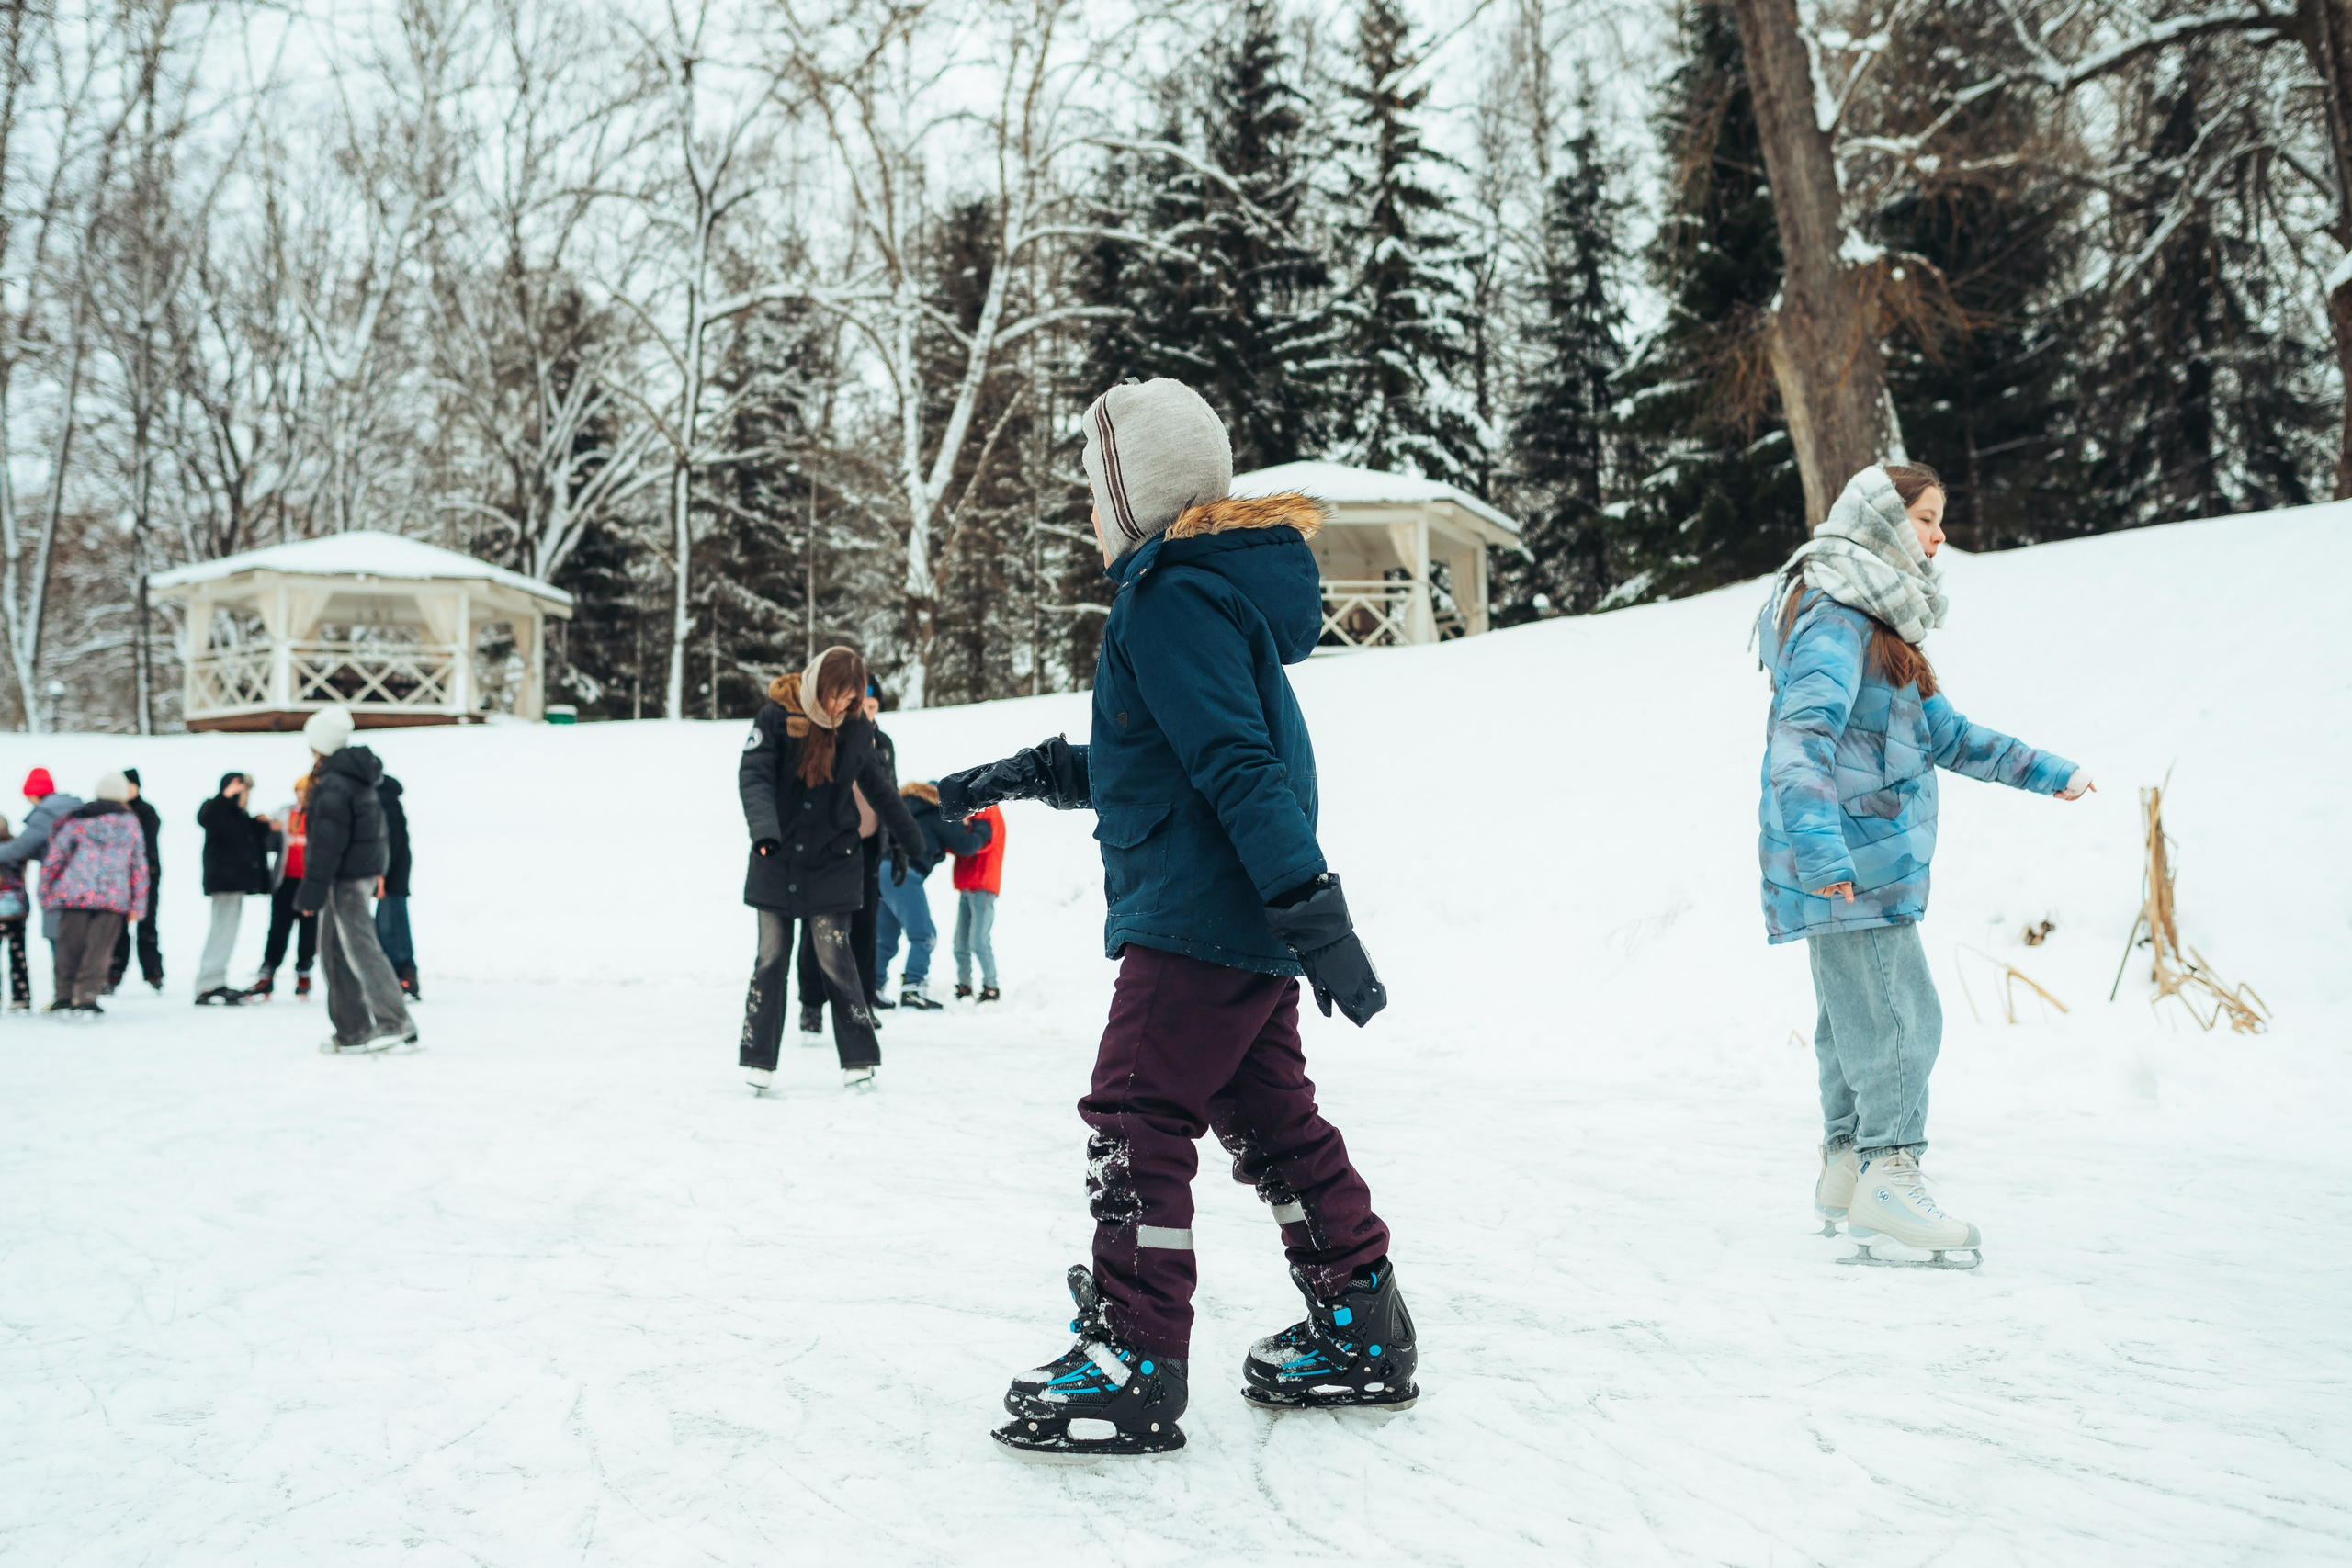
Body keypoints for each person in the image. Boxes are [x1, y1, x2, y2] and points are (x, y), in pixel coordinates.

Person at [940, 378, 1405, 1461]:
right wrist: (1022, 774)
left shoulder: (1167, 596)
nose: (1087, 512)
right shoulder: (1208, 594)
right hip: (1235, 916)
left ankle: (1135, 1354)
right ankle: (1361, 1325)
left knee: (1135, 1113)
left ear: (1131, 494)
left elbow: (1237, 766)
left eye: (1093, 489)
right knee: (1271, 1120)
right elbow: (1163, 758)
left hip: (1199, 915)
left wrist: (1313, 907)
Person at [1759, 462, 2092, 1269]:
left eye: (1941, 519)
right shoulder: (1838, 620)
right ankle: (1891, 1170)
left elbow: (1949, 736)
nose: (1940, 537)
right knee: (1906, 1017)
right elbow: (1799, 743)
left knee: (1853, 1022)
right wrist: (1824, 853)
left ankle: (1849, 1163)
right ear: (1881, 521)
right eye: (1926, 518)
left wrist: (2049, 772)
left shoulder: (1876, 621)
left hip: (1853, 860)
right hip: (1851, 863)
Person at [739, 647, 924, 1093]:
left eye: (851, 698)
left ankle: (859, 1059)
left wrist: (910, 839)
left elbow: (879, 787)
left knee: (836, 956)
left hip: (833, 860)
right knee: (771, 958)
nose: (842, 705)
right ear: (818, 685)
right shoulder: (776, 717)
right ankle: (758, 1058)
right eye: (837, 695)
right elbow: (754, 776)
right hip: (776, 856)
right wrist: (765, 831)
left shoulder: (856, 729)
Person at [295, 705, 416, 1054]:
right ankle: (352, 1030)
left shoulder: (335, 783)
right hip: (354, 875)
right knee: (334, 952)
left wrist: (312, 891)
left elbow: (327, 844)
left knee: (361, 949)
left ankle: (395, 1022)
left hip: (345, 879)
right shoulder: (353, 776)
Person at [798, 678, 891, 1031]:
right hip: (829, 847)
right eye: (860, 707)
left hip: (868, 847)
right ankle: (812, 1004)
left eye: (872, 708)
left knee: (866, 927)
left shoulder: (883, 744)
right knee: (818, 925)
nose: (866, 714)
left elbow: (890, 792)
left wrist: (895, 844)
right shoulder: (827, 738)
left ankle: (864, 1002)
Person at [39, 773, 151, 1018]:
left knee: (69, 947)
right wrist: (138, 904)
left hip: (75, 893)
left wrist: (46, 890)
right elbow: (138, 865)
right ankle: (87, 996)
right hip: (114, 896)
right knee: (100, 949)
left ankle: (64, 995)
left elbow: (56, 857)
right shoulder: (130, 823)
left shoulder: (78, 819)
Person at [876, 781, 993, 1010]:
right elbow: (966, 845)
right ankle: (913, 988)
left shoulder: (904, 807)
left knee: (885, 938)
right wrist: (982, 828)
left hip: (880, 872)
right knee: (924, 935)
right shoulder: (939, 812)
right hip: (904, 873)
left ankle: (873, 987)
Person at [0, 769, 86, 996]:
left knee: (58, 938)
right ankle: (78, 993)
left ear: (33, 793)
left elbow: (20, 848)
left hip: (58, 884)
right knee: (75, 941)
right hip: (86, 886)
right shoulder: (74, 808)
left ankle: (65, 995)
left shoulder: (46, 814)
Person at [194, 773, 273, 1004]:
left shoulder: (238, 816)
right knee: (222, 931)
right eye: (244, 791)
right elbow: (205, 818)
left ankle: (213, 980)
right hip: (224, 884)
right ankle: (209, 982)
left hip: (233, 885)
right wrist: (224, 796)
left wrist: (262, 825)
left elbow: (248, 841)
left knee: (226, 931)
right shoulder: (219, 809)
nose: (247, 796)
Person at [246, 777, 319, 1000]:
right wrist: (268, 828)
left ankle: (304, 972)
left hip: (310, 882)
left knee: (309, 929)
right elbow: (269, 844)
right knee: (278, 928)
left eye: (308, 791)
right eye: (300, 791)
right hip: (285, 881)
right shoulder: (285, 813)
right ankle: (267, 973)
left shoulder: (321, 814)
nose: (303, 795)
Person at [105, 768, 164, 993]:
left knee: (147, 924)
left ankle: (153, 972)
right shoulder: (116, 812)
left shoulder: (146, 811)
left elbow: (145, 844)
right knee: (117, 926)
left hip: (147, 875)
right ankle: (113, 972)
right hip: (120, 877)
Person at [951, 802, 1007, 1001]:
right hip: (968, 883)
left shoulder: (988, 810)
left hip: (983, 883)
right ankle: (964, 985)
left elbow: (977, 842)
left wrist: (961, 829)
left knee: (979, 941)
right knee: (960, 943)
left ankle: (991, 987)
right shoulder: (973, 810)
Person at [375, 772, 417, 999]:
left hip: (392, 874)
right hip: (392, 871)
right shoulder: (385, 797)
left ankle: (404, 976)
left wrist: (382, 873)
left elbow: (390, 840)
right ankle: (400, 976)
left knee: (391, 926)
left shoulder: (384, 798)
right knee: (388, 925)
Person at [0, 814, 30, 1011]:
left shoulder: (15, 849)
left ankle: (20, 997)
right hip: (17, 909)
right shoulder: (18, 848)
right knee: (18, 955)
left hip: (14, 909)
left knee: (17, 955)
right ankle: (21, 996)